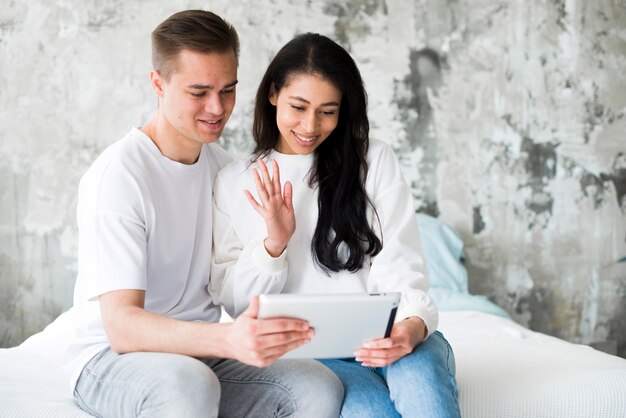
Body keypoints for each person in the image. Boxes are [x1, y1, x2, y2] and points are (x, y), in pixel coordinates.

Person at [57, 11, 343, 418]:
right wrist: (227, 339)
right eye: (199, 92)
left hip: (199, 353)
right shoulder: (119, 176)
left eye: (228, 90)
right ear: (158, 83)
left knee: (317, 387)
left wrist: (274, 248)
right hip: (109, 358)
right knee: (190, 383)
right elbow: (121, 326)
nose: (217, 108)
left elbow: (238, 285)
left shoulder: (226, 172)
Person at [210, 33, 461, 417]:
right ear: (273, 94)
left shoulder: (372, 161)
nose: (311, 126)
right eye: (299, 106)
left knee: (421, 389)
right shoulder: (234, 181)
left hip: (400, 335)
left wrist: (410, 328)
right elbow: (236, 301)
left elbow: (400, 263)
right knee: (373, 412)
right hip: (316, 358)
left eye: (328, 111)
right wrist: (273, 246)